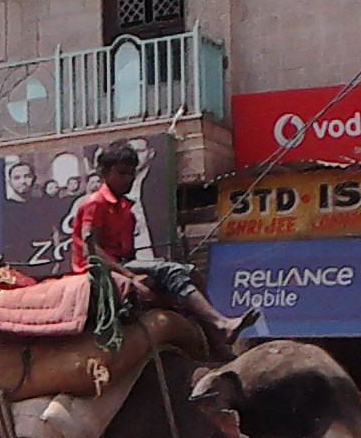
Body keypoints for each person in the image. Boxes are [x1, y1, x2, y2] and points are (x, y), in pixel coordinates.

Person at [70, 141, 247, 342]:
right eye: (121, 173)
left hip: (122, 263)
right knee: (170, 270)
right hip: (100, 268)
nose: (127, 179)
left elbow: (130, 252)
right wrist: (130, 275)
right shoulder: (96, 204)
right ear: (104, 173)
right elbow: (91, 250)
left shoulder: (126, 208)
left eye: (131, 174)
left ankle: (217, 339)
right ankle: (221, 323)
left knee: (191, 273)